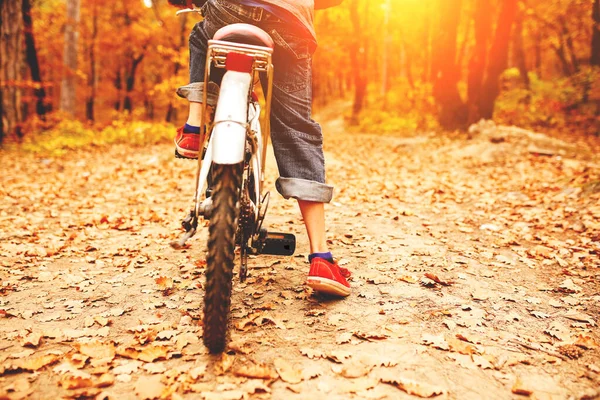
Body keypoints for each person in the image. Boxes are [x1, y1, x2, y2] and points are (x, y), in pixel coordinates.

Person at [170, 0, 350, 297]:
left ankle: (192, 128)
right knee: (295, 128)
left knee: (201, 34)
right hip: (291, 26)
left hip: (231, 9)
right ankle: (321, 258)